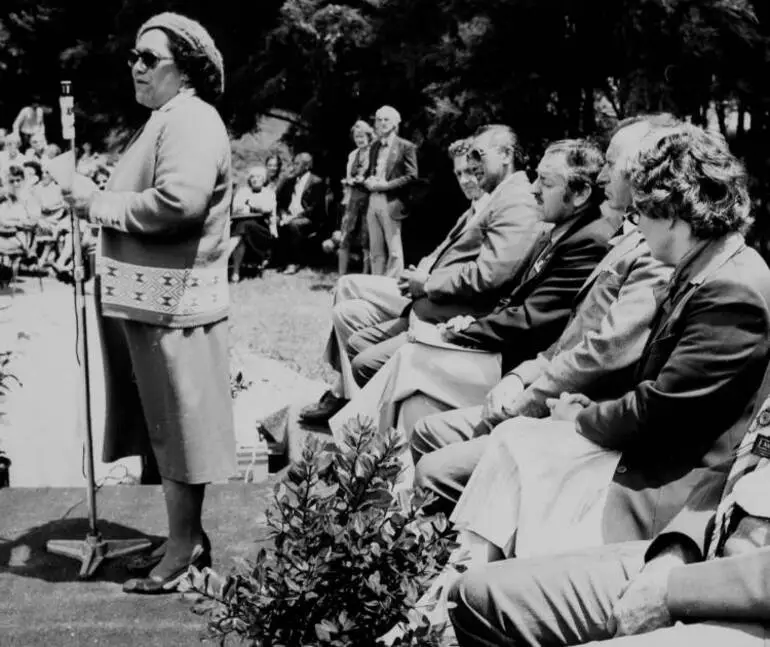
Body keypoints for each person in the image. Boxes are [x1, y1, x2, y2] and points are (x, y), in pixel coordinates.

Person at [444, 123, 770, 645]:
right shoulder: (709, 267)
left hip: (675, 485)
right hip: (655, 451)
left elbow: (660, 410)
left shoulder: (734, 291)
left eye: (642, 213)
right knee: (516, 443)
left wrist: (580, 417)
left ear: (678, 213)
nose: (636, 227)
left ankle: (465, 592)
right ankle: (457, 583)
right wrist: (586, 409)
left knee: (524, 453)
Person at [62, 11, 235, 594]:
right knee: (164, 429)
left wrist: (96, 204)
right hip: (155, 302)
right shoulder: (168, 118)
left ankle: (185, 549)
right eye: (133, 56)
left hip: (175, 309)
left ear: (184, 70)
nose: (135, 67)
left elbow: (179, 204)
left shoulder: (190, 120)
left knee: (179, 430)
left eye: (149, 58)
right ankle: (182, 536)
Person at [409, 114, 677, 476]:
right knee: (422, 415)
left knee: (432, 455)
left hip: (576, 411)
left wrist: (526, 395)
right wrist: (521, 375)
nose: (602, 177)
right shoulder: (620, 237)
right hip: (539, 377)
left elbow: (597, 351)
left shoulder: (626, 246)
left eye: (612, 165)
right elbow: (566, 333)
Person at [448, 364, 770, 646]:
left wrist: (675, 590)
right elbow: (741, 462)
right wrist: (677, 549)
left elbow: (650, 395)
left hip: (749, 600)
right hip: (711, 547)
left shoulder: (737, 296)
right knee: (477, 595)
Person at [329, 138, 617, 442]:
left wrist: (463, 330)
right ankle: (365, 455)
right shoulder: (559, 229)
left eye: (544, 182)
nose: (533, 189)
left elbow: (532, 319)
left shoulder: (589, 241)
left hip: (512, 362)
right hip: (490, 337)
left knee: (401, 362)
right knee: (390, 363)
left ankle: (361, 454)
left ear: (582, 192)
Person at [298, 127, 544, 426]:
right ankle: (355, 415)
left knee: (360, 346)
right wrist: (423, 275)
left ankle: (360, 422)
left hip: (456, 317)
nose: (473, 167)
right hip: (432, 301)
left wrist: (427, 283)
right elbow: (450, 252)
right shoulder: (497, 198)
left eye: (479, 155)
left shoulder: (515, 201)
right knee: (352, 324)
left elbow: (491, 275)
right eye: (464, 166)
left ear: (506, 155)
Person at [365, 105, 419, 276]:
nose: (382, 123)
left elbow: (412, 176)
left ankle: (392, 287)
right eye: (379, 119)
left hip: (392, 201)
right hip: (373, 200)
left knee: (394, 251)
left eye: (386, 119)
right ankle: (375, 284)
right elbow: (371, 171)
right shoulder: (374, 147)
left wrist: (386, 186)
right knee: (375, 249)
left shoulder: (405, 146)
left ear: (395, 123)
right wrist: (368, 180)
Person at [275, 152, 326, 274]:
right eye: (293, 163)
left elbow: (315, 208)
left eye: (297, 164)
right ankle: (277, 260)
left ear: (307, 166)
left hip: (309, 219)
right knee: (276, 222)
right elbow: (280, 202)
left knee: (293, 225)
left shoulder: (316, 182)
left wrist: (293, 217)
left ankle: (294, 262)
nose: (293, 166)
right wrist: (283, 214)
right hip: (289, 215)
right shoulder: (290, 181)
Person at [230, 164, 277, 282]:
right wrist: (254, 206)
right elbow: (236, 209)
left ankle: (224, 257)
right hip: (242, 227)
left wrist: (249, 204)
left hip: (261, 230)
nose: (255, 180)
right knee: (242, 230)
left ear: (264, 179)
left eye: (259, 177)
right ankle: (235, 273)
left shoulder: (269, 193)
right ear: (249, 180)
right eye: (253, 177)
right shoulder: (242, 191)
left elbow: (266, 208)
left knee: (242, 228)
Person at [338, 119, 374, 275]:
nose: (359, 140)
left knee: (367, 240)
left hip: (369, 200)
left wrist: (364, 181)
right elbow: (349, 176)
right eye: (356, 137)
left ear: (368, 136)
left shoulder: (374, 153)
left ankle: (365, 275)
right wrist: (348, 182)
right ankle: (341, 277)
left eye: (362, 136)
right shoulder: (353, 155)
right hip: (352, 199)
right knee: (345, 238)